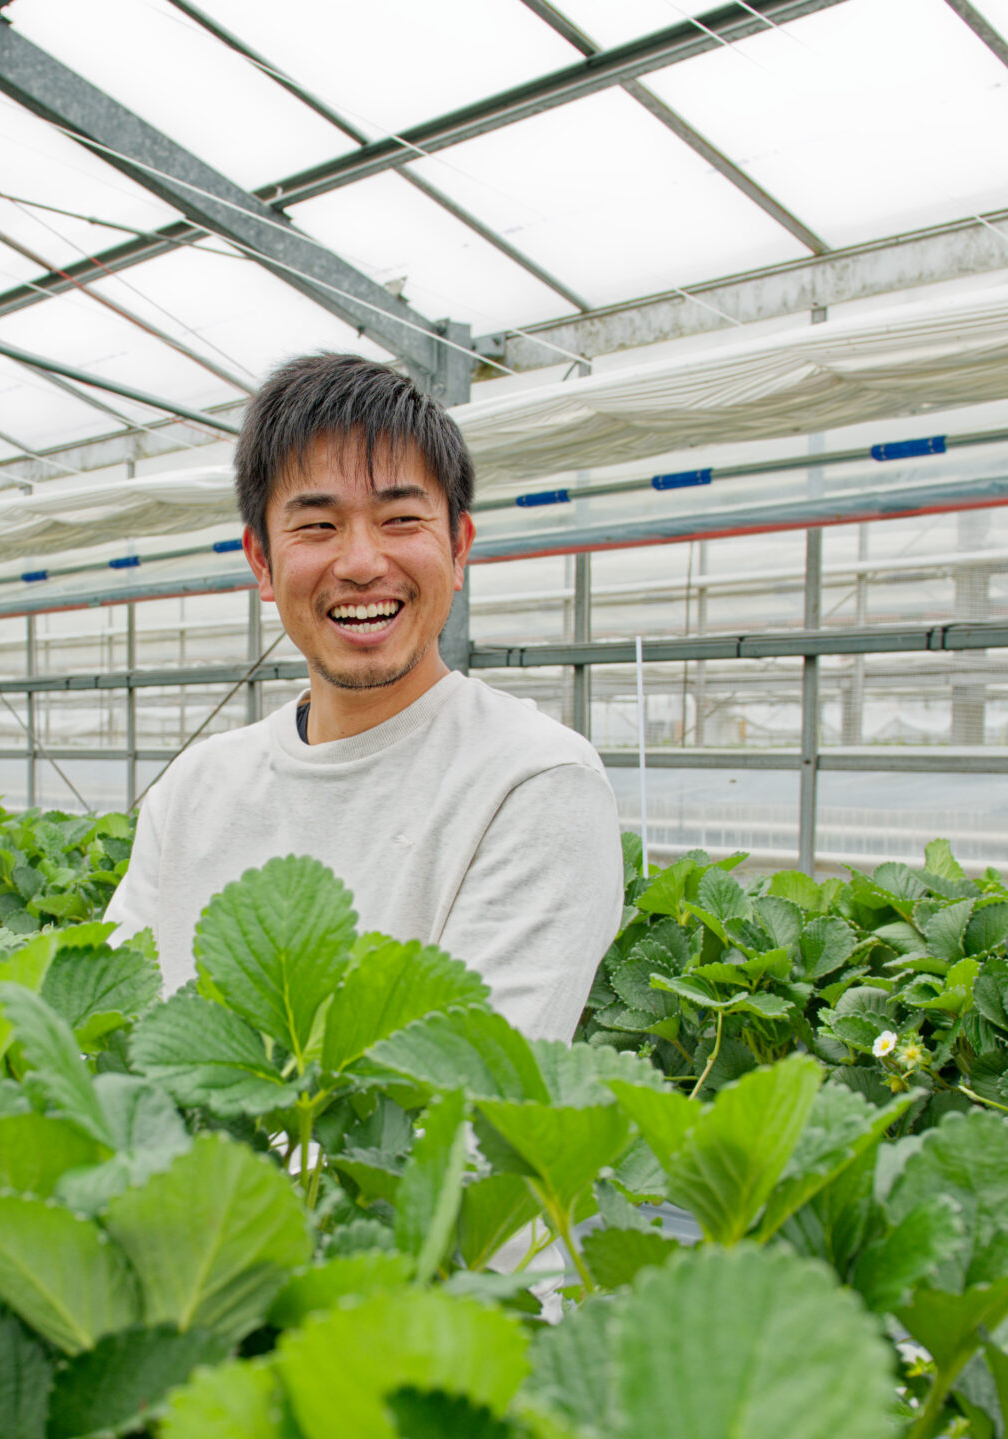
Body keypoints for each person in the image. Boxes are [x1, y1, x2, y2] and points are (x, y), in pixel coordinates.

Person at [105, 353, 624, 1039]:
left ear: (459, 547)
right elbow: (112, 1042)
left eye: (401, 520)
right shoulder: (194, 790)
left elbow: (465, 1113)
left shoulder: (533, 781)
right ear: (261, 561)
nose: (360, 563)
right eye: (317, 526)